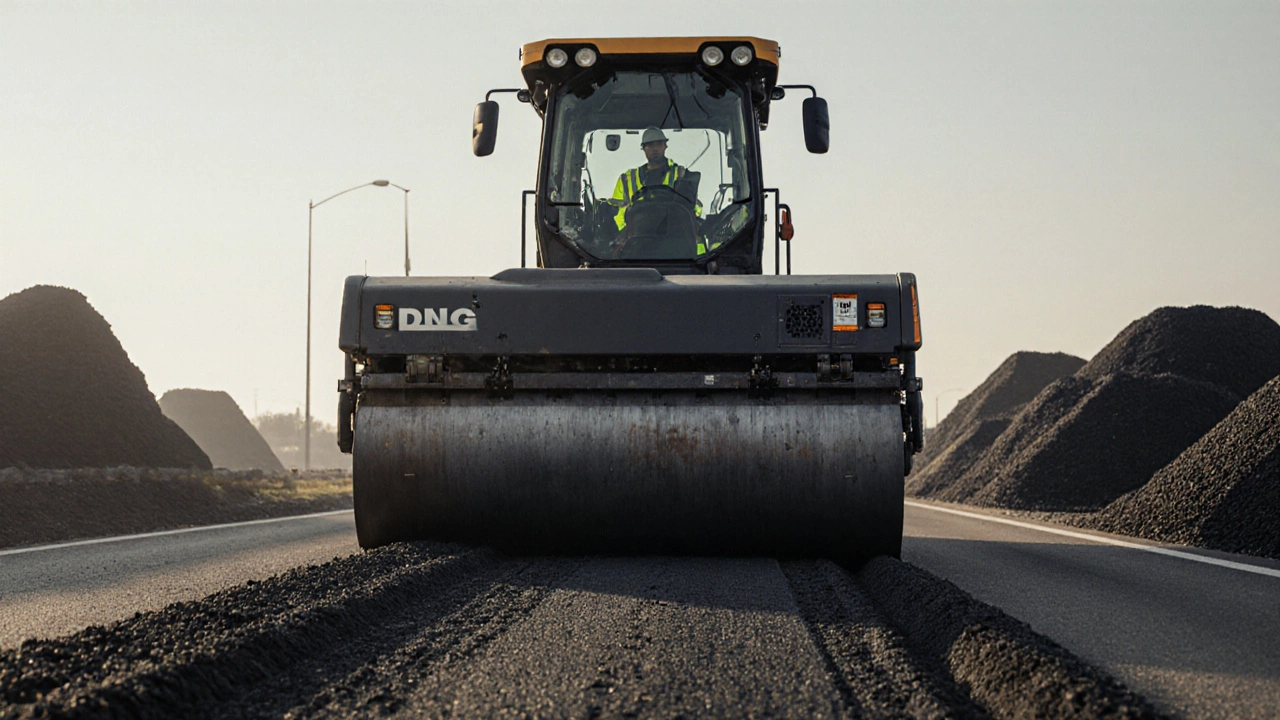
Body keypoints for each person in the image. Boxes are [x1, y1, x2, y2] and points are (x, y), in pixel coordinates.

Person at [610, 127, 701, 232]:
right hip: (636, 240)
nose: (654, 148)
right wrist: (627, 236)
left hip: (673, 238)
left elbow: (693, 208)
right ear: (643, 148)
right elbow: (617, 213)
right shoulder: (627, 179)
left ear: (665, 146)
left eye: (658, 144)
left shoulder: (681, 175)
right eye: (650, 145)